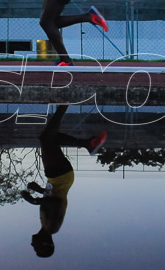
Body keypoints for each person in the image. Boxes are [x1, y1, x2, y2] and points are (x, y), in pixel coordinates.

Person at [21, 104, 107, 257]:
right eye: (36, 248)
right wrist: (35, 200)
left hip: (60, 179)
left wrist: (38, 190)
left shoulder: (46, 225)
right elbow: (57, 202)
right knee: (46, 138)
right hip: (59, 177)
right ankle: (64, 104)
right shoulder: (52, 227)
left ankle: (86, 143)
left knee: (51, 139)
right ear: (44, 243)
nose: (32, 244)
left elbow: (52, 197)